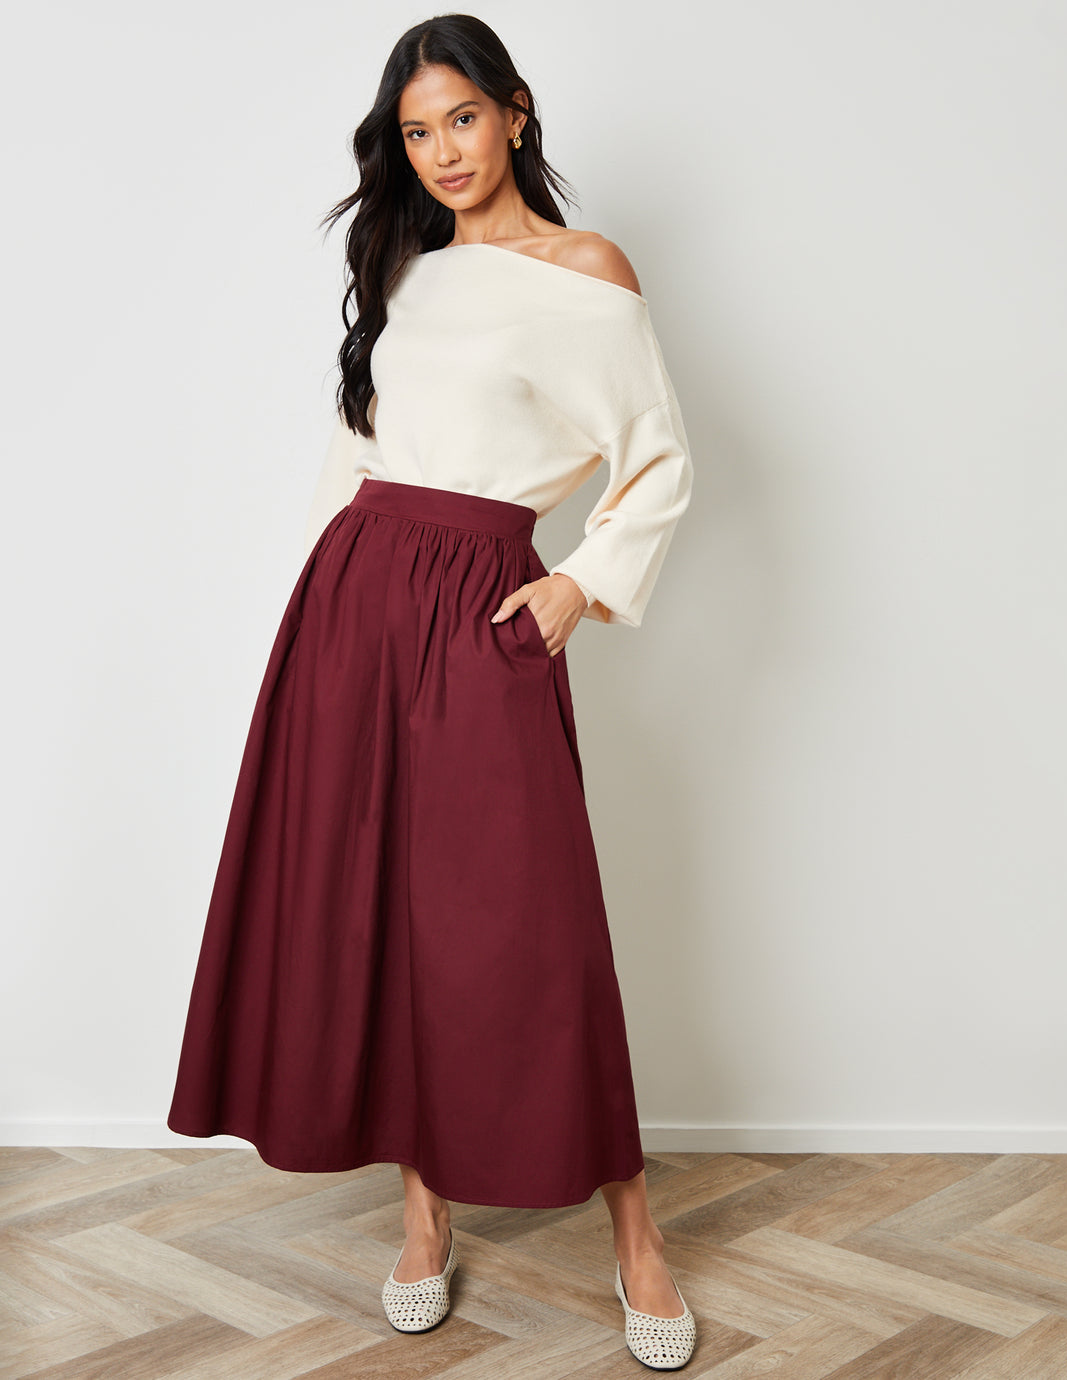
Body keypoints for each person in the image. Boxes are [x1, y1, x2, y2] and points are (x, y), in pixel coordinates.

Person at [167, 13, 696, 1371]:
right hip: (355, 603)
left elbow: (658, 457)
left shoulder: (588, 270)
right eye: (416, 132)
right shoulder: (406, 269)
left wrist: (576, 589)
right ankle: (424, 1215)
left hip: (481, 608)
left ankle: (638, 1235)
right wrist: (316, 624)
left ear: (515, 111)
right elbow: (360, 452)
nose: (443, 152)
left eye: (461, 117)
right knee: (383, 913)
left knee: (534, 925)